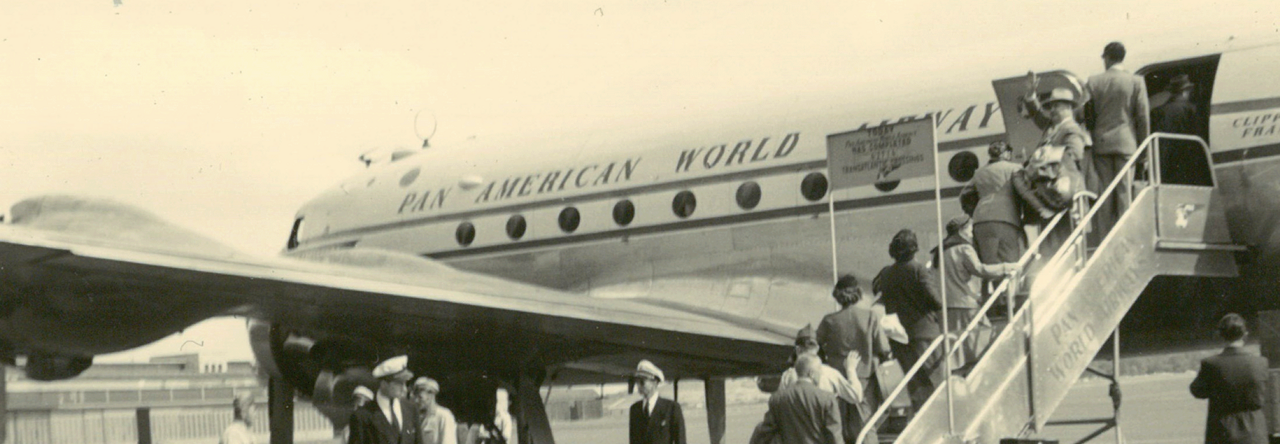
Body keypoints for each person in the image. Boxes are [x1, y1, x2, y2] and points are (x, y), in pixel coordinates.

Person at [1085, 41, 1150, 237]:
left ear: (1107, 58)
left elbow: (1088, 114)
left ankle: (1106, 237)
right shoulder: (1136, 81)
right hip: (1126, 143)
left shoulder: (1093, 81)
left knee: (1105, 195)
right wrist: (1144, 152)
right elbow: (1142, 116)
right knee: (1124, 193)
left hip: (1102, 144)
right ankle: (1126, 235)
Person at [873, 229, 943, 410]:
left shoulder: (887, 274)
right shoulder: (918, 269)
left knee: (915, 383)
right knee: (934, 378)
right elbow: (935, 301)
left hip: (899, 336)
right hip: (924, 332)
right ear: (914, 248)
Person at [933, 215, 1012, 370]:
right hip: (965, 304)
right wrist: (1005, 267)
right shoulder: (964, 248)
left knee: (957, 349)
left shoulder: (938, 252)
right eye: (969, 229)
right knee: (984, 336)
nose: (971, 234)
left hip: (946, 307)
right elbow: (980, 270)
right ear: (962, 231)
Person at [780, 325, 868, 444]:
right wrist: (851, 370)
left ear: (798, 349)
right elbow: (856, 396)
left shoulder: (787, 376)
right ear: (817, 349)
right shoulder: (830, 374)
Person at [1190, 313, 1269, 444]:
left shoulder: (1211, 364)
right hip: (1255, 431)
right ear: (1245, 334)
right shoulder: (1260, 363)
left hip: (1222, 431)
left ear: (1220, 335)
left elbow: (1197, 391)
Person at [816, 274, 891, 409]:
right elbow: (884, 348)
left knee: (839, 422)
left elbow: (815, 345)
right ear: (858, 293)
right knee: (865, 423)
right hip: (865, 379)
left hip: (837, 380)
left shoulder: (829, 320)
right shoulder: (870, 317)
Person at [960, 141, 1025, 295]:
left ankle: (995, 302)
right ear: (1007, 153)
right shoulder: (1015, 168)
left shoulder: (979, 173)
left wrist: (973, 211)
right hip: (1007, 220)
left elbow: (964, 195)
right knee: (1010, 263)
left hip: (981, 221)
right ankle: (1010, 303)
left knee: (990, 265)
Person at [750, 353, 843, 444]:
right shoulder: (827, 398)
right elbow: (834, 435)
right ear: (812, 374)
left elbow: (765, 431)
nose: (821, 375)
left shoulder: (777, 398)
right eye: (819, 372)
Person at [348, 355, 421, 444]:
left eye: (405, 383)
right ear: (384, 384)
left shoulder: (411, 409)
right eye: (399, 383)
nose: (404, 389)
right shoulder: (362, 416)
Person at [629, 360, 687, 444]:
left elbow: (680, 441)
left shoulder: (671, 408)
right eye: (637, 381)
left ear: (654, 382)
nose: (638, 385)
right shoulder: (634, 409)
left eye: (642, 382)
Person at [412, 377, 456, 444]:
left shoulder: (444, 416)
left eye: (420, 397)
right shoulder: (416, 417)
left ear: (431, 394)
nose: (416, 401)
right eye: (415, 397)